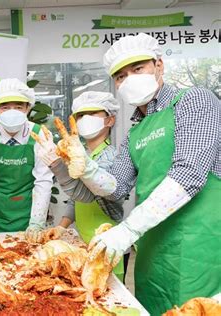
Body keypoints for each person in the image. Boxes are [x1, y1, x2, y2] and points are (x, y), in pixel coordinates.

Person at [45, 33, 220, 314]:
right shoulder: (134, 132)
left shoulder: (195, 101)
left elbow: (189, 174)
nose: (129, 79)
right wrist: (82, 168)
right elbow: (114, 189)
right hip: (152, 246)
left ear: (159, 65)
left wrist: (127, 229)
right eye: (120, 76)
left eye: (138, 69)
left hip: (198, 245)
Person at [36, 91, 128, 282]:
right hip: (84, 240)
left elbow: (88, 195)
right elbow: (75, 200)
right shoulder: (83, 154)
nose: (85, 119)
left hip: (107, 247)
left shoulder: (112, 158)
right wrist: (62, 227)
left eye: (93, 113)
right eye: (80, 115)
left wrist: (58, 166)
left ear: (110, 120)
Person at [0, 78, 53, 242]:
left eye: (18, 107)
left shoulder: (39, 134)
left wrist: (36, 222)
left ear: (28, 108)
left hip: (27, 215)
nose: (11, 111)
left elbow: (43, 181)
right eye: (5, 107)